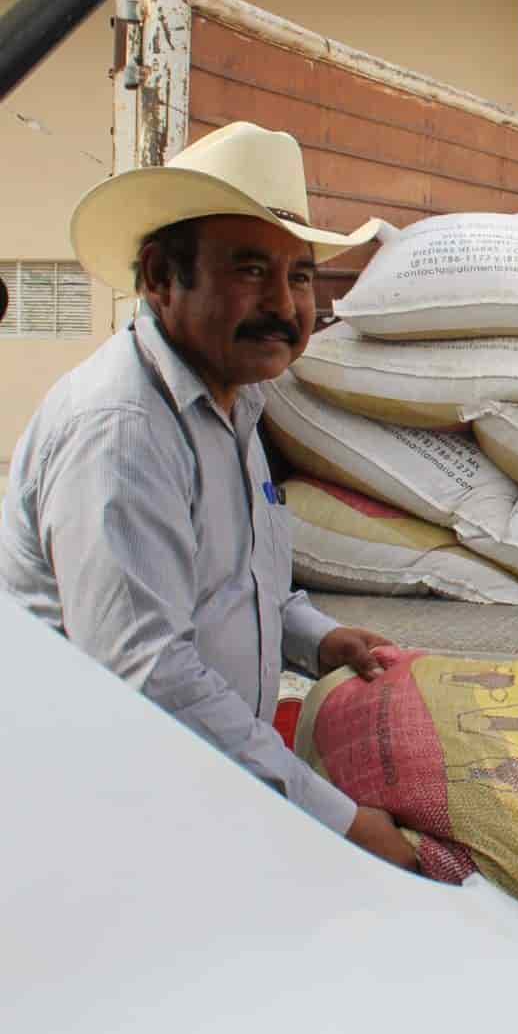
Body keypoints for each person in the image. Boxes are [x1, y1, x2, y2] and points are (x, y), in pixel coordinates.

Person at [0, 121, 414, 869]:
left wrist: (318, 637)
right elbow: (148, 676)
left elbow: (235, 584)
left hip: (196, 788)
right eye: (251, 270)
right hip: (108, 818)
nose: (286, 304)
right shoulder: (122, 432)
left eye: (298, 275)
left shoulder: (233, 406)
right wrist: (341, 822)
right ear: (161, 277)